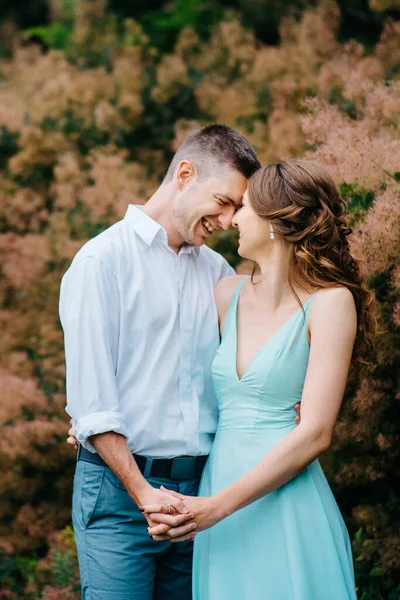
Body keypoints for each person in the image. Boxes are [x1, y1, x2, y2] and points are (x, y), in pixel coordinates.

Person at [61, 124, 298, 600]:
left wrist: (289, 401)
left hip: (203, 492)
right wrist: (143, 492)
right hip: (119, 494)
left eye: (238, 209)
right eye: (224, 201)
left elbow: (246, 365)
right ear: (185, 174)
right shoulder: (101, 262)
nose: (230, 219)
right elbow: (93, 401)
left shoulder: (216, 272)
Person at [143, 160, 376, 599]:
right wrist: (90, 413)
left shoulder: (330, 303)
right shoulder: (223, 295)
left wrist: (215, 507)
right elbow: (162, 364)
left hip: (284, 500)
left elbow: (317, 433)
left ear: (275, 222)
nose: (231, 220)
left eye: (244, 207)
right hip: (217, 496)